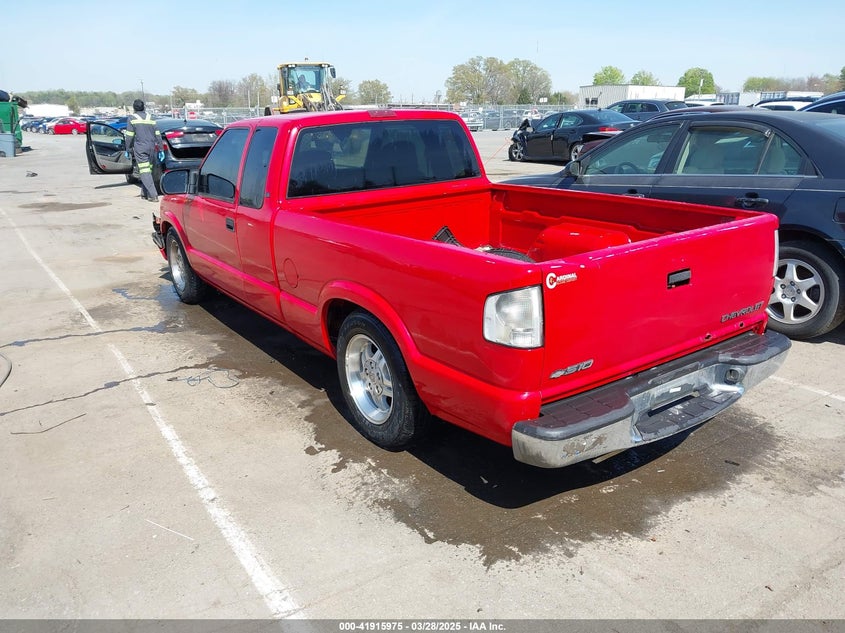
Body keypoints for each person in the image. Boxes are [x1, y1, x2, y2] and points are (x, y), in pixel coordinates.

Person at [125, 99, 163, 202]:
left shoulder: (132, 118)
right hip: (151, 148)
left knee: (145, 171)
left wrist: (127, 149)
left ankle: (153, 195)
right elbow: (158, 134)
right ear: (144, 107)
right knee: (147, 171)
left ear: (134, 108)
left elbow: (129, 136)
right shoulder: (151, 118)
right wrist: (161, 149)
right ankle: (144, 193)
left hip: (140, 149)